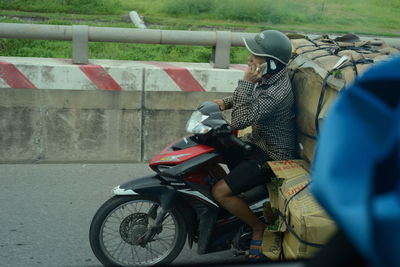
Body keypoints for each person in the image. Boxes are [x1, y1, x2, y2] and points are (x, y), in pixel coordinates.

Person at [211, 30, 296, 261]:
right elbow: (248, 99)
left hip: (272, 155)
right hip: (258, 142)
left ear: (271, 63)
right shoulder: (271, 77)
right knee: (209, 154)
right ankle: (225, 210)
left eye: (256, 55)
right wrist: (222, 102)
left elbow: (240, 119)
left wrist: (245, 82)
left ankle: (256, 227)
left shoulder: (276, 93)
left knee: (220, 191)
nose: (250, 59)